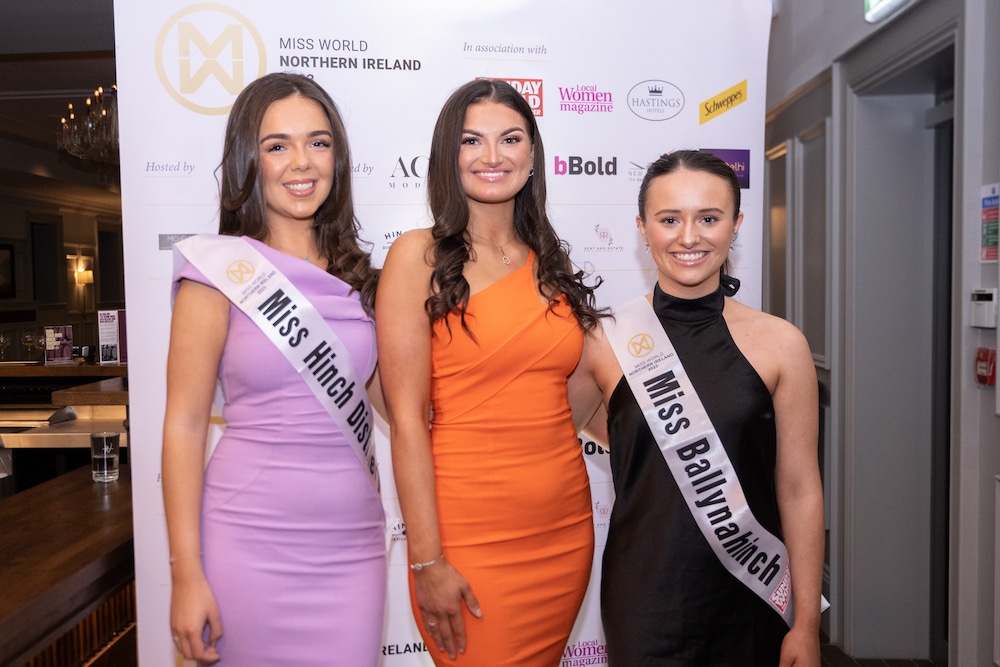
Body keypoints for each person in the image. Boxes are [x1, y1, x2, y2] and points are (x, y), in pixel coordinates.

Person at [376, 78, 604, 666]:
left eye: (510, 138)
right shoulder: (416, 257)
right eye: (471, 140)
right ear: (448, 157)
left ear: (532, 156)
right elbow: (406, 419)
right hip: (466, 538)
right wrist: (426, 559)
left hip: (563, 530)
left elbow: (568, 400)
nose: (492, 156)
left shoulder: (551, 264)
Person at [161, 72, 385, 666]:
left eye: (318, 142)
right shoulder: (216, 273)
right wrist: (186, 573)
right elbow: (183, 426)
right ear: (249, 161)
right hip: (246, 543)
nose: (300, 163)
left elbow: (402, 409)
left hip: (352, 550)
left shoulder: (363, 282)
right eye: (277, 145)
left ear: (337, 157)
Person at [572, 150, 825, 666]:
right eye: (669, 220)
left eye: (709, 218)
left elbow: (799, 488)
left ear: (736, 225)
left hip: (751, 594)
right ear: (643, 229)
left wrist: (807, 624)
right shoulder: (605, 339)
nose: (689, 237)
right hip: (642, 598)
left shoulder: (781, 344)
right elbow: (568, 426)